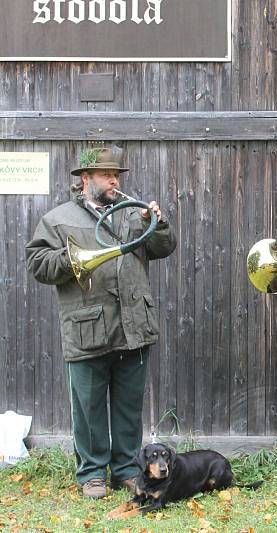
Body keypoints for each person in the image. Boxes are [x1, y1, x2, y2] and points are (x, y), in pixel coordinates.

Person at [25, 145, 177, 499]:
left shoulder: (131, 214)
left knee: (128, 408)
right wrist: (71, 259)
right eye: (107, 175)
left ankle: (126, 469)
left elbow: (164, 247)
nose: (114, 180)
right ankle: (92, 473)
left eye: (117, 175)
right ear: (85, 179)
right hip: (86, 329)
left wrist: (158, 222)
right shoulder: (57, 218)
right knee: (89, 410)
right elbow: (37, 264)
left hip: (134, 326)